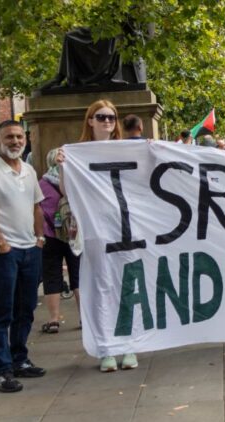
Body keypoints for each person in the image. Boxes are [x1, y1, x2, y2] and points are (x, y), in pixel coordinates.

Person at [59, 99, 139, 371]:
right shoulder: (77, 153)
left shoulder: (129, 149)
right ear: (90, 120)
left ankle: (129, 346)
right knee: (101, 286)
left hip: (127, 228)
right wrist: (62, 166)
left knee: (127, 285)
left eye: (112, 117)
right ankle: (107, 348)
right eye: (102, 116)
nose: (107, 121)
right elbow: (68, 191)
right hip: (97, 230)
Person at [0, 120, 47, 392]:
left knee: (26, 308)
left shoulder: (29, 170)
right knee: (1, 312)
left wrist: (40, 238)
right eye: (9, 137)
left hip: (30, 249)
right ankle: (1, 370)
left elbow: (37, 207)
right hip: (0, 253)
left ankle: (20, 359)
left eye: (19, 137)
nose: (15, 141)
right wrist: (1, 242)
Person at [38, 148, 81, 335]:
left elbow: (37, 211)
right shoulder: (74, 183)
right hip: (74, 234)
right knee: (78, 276)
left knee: (52, 275)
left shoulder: (41, 184)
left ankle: (54, 319)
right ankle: (84, 317)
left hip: (50, 236)